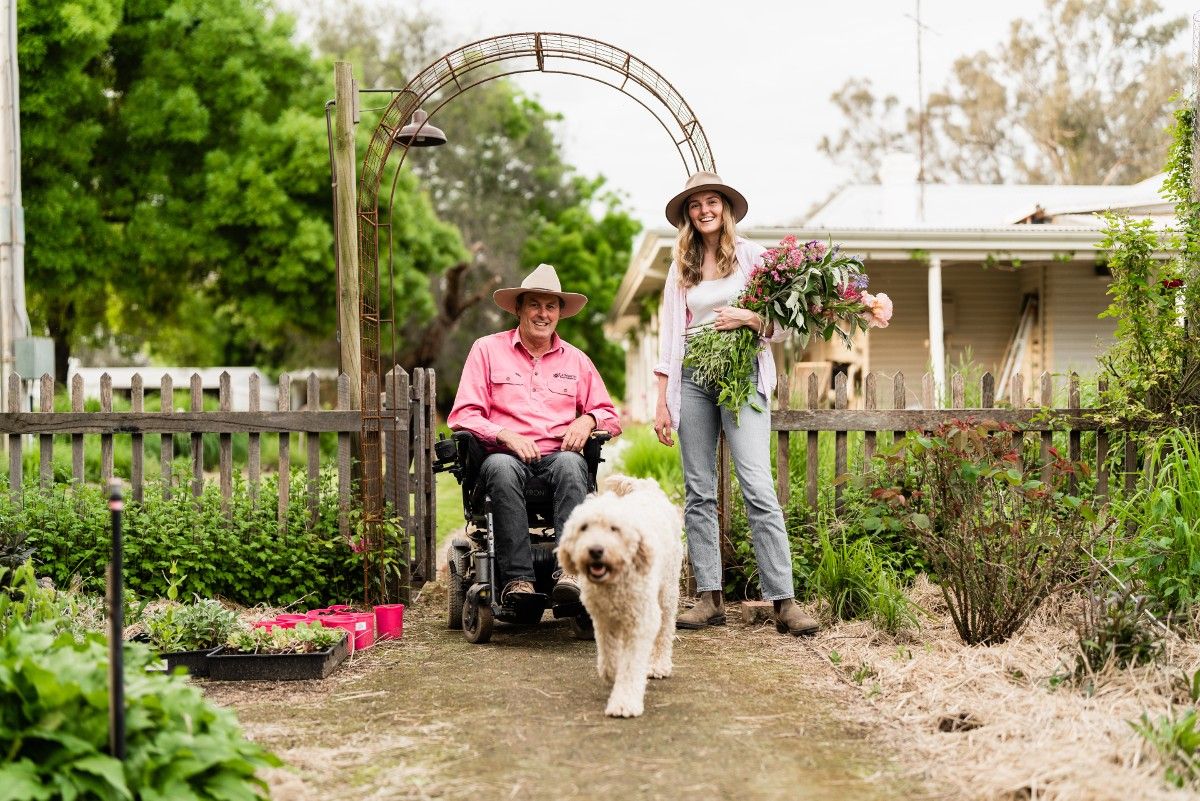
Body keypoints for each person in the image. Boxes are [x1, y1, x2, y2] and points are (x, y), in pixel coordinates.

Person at [652, 171, 818, 636]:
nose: (704, 210)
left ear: (724, 208)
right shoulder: (680, 265)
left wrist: (749, 317)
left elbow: (787, 322)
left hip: (742, 375)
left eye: (712, 202)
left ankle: (784, 600)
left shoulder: (751, 257)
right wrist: (663, 399)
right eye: (695, 205)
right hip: (694, 378)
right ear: (688, 214)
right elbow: (670, 336)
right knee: (699, 491)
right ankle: (709, 598)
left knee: (756, 485)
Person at [448, 263, 622, 606]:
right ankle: (519, 582)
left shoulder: (577, 361)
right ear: (518, 308)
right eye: (534, 305)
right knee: (501, 467)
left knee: (574, 466)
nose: (543, 314)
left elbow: (611, 416)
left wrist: (587, 419)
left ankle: (569, 574)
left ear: (559, 313)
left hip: (557, 457)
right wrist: (504, 435)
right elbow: (463, 415)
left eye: (551, 306)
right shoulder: (486, 350)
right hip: (502, 458)